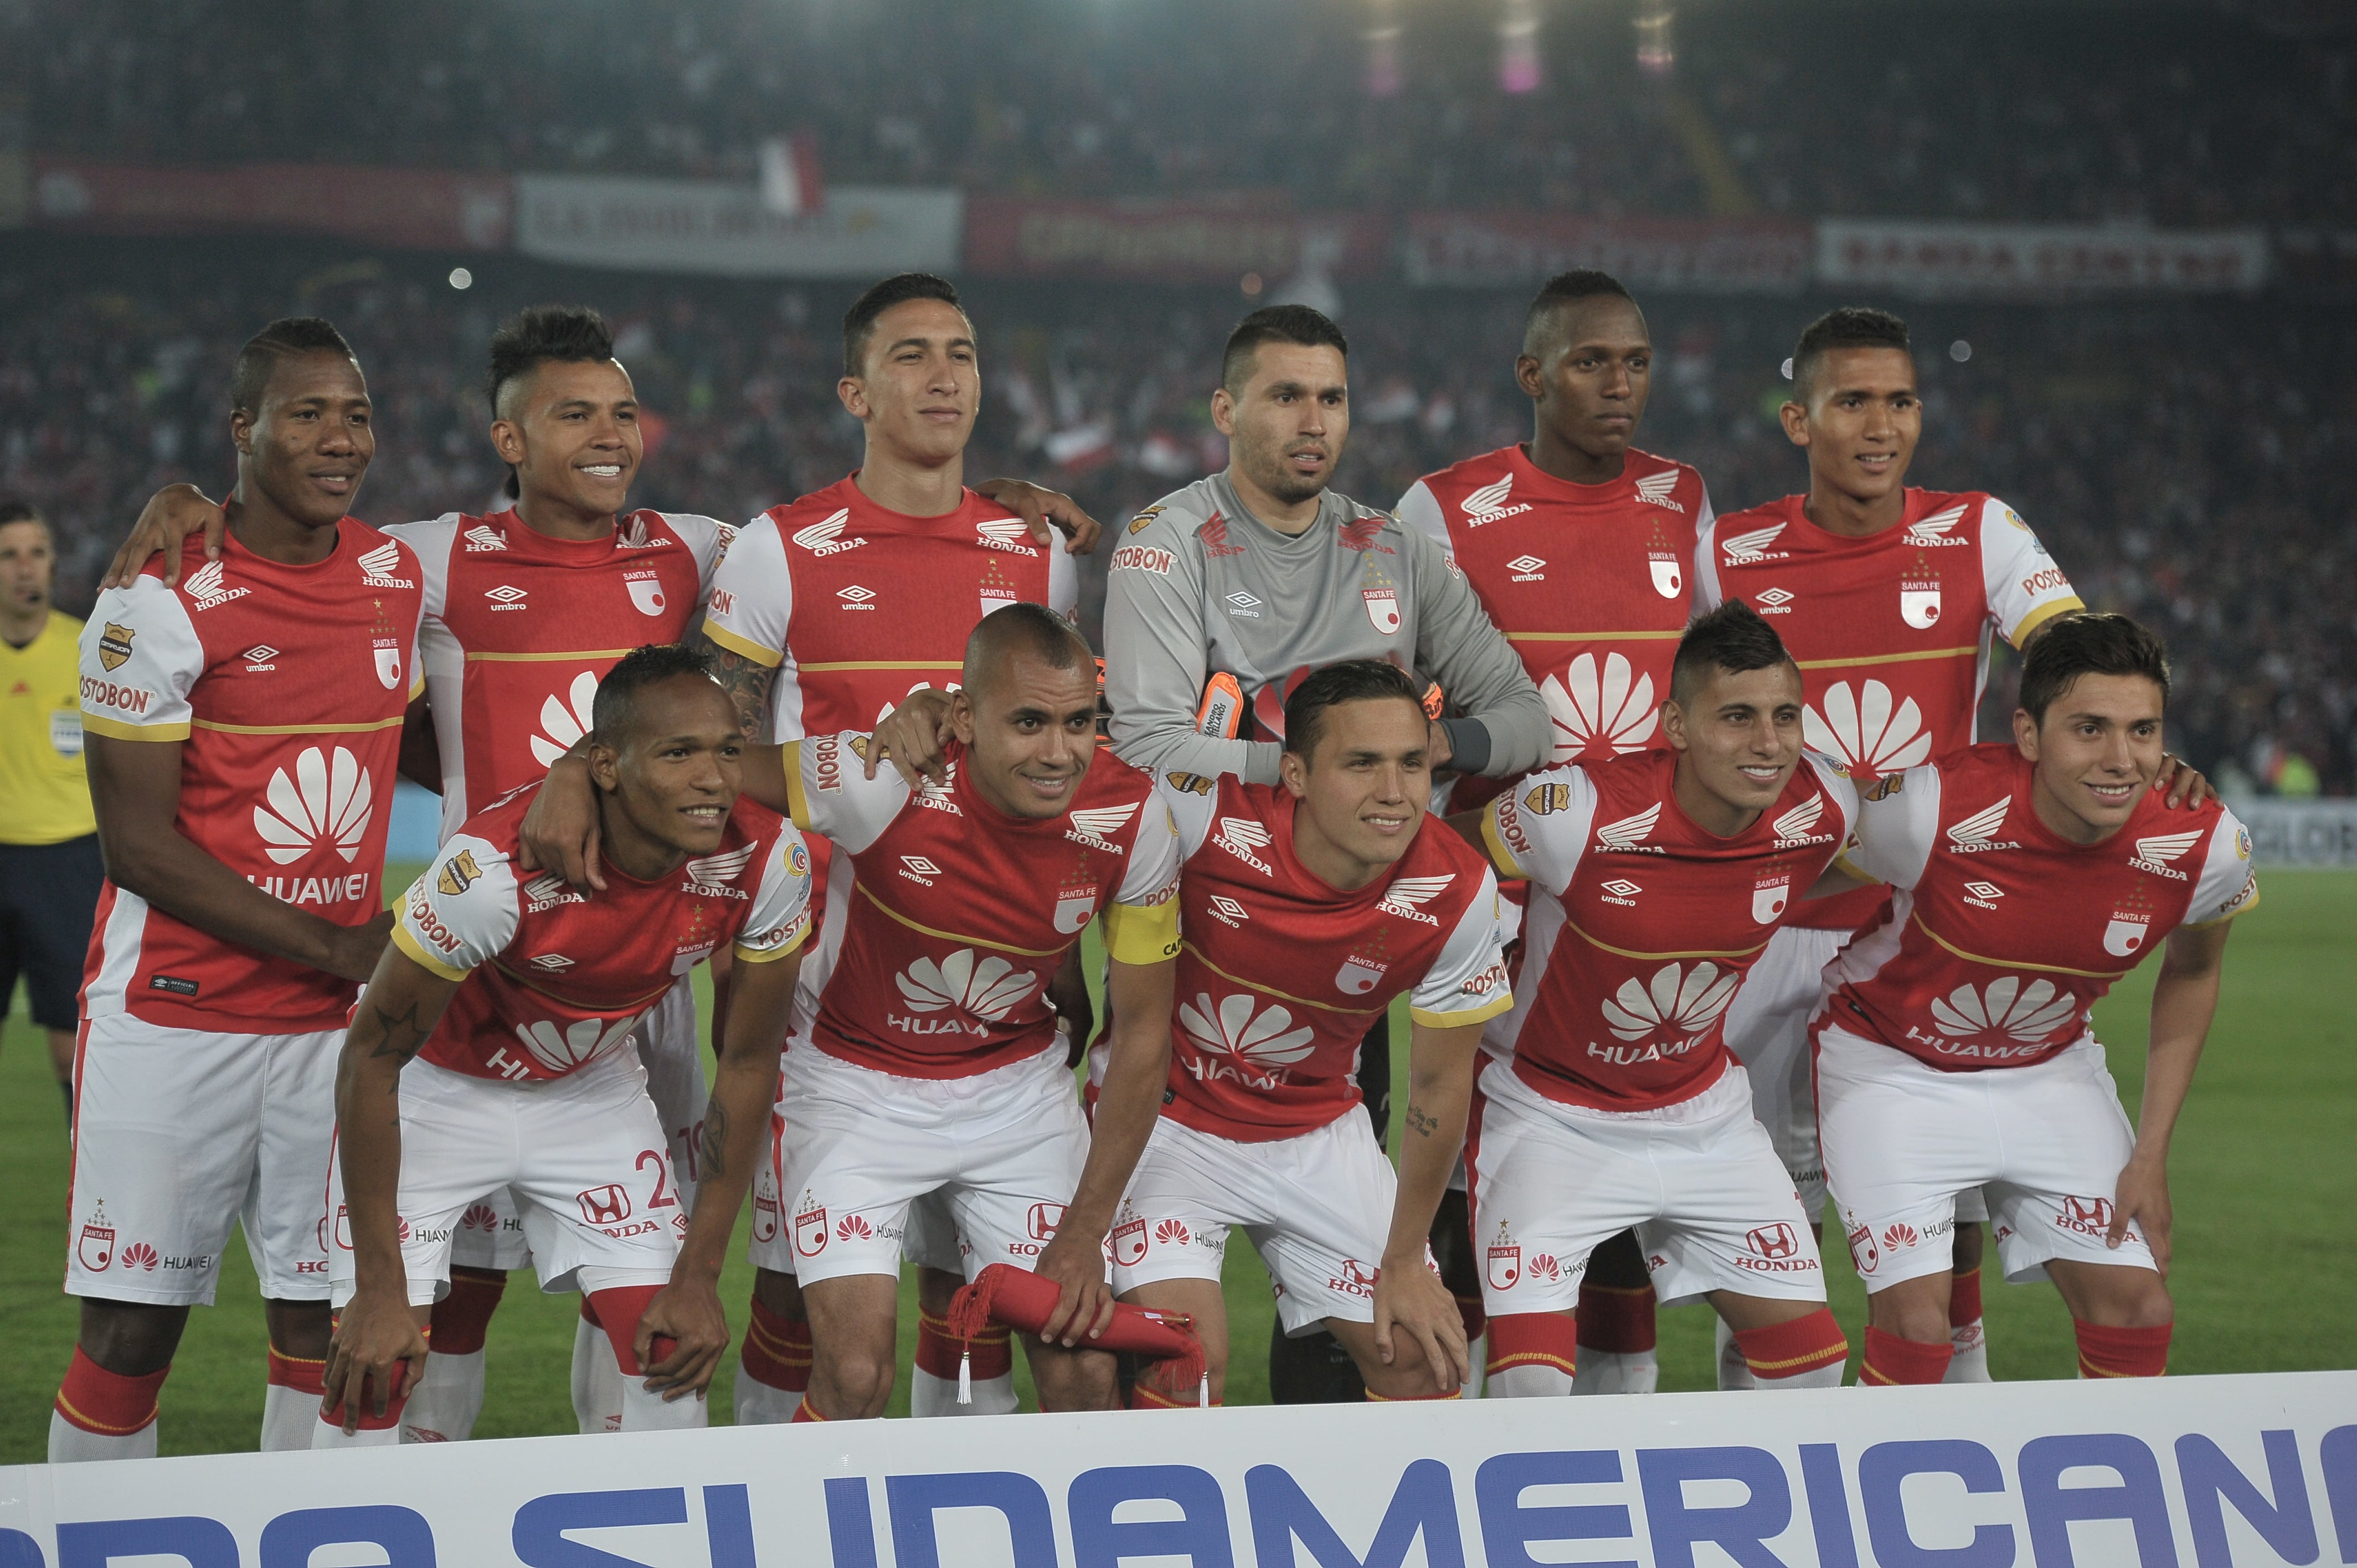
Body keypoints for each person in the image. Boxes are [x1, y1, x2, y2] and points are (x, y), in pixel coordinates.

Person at [103, 294, 1095, 1435]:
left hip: (663, 963)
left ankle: (640, 1483)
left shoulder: (703, 548)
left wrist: (999, 502)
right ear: (510, 441)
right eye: (574, 416)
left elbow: (870, 528)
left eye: (623, 413)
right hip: (489, 963)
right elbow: (300, 543)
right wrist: (194, 507)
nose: (610, 437)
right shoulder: (431, 561)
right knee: (458, 1293)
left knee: (647, 1282)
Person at [526, 272, 1098, 1424]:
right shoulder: (782, 549)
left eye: (963, 351)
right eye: (910, 356)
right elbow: (716, 751)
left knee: (973, 1286)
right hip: (820, 989)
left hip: (995, 986)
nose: (944, 375)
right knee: (801, 1310)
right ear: (854, 390)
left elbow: (1058, 771)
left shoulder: (1040, 555)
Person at [1096, 302, 1549, 1401]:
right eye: (1285, 395)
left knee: (1402, 1354)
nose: (1314, 419)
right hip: (1208, 945)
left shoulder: (1391, 549)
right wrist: (1323, 777)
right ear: (1225, 410)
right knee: (1167, 1369)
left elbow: (1527, 718)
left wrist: (1422, 756)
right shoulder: (1167, 545)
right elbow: (1146, 746)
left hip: (1354, 958)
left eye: (1332, 397)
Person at [1697, 305, 2102, 1386]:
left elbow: (2070, 657)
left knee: (1943, 1199)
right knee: (1771, 1209)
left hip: (1918, 929)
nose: (1879, 426)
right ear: (1799, 418)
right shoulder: (1726, 551)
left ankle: (1949, 1435)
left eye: (1899, 401)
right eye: (1852, 402)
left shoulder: (1977, 531)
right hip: (1767, 932)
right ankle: (1766, 1433)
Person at [664, 604, 1181, 1419]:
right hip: (853, 1087)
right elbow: (709, 770)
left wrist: (1085, 1232)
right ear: (965, 719)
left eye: (1080, 722)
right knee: (857, 1376)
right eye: (1030, 723)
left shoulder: (1134, 816)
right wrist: (575, 779)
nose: (1060, 753)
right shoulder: (879, 777)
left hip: (1019, 1094)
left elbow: (1146, 1032)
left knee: (1083, 1375)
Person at [52, 318, 418, 1461]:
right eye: (306, 413)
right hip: (174, 1017)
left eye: (355, 414)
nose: (339, 438)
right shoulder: (154, 596)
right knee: (129, 1329)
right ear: (243, 431)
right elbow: (139, 851)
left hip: (329, 1041)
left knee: (328, 1325)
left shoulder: (398, 574)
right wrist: (345, 948)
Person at [316, 644, 812, 1443]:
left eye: (726, 751)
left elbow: (751, 1063)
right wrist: (379, 1286)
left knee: (672, 1357)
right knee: (375, 1374)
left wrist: (698, 1275)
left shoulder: (768, 861)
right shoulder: (491, 873)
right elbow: (371, 1058)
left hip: (590, 1089)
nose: (715, 779)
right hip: (437, 1092)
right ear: (605, 766)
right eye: (679, 754)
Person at [1395, 268, 1710, 1396]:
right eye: (1590, 362)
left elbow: (1720, 682)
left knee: (1623, 1211)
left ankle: (1618, 1481)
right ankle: (1466, 1454)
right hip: (1497, 904)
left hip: (1650, 904)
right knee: (1479, 1195)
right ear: (1532, 375)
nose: (1619, 383)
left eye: (1633, 361)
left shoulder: (1682, 497)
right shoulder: (1443, 508)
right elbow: (1389, 694)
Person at [1811, 613, 2255, 1385]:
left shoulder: (2206, 843)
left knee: (2139, 1308)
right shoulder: (1928, 809)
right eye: (2090, 729)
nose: (2121, 760)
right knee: (1918, 1331)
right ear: (2028, 732)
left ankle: (2109, 1500)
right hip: (1890, 1064)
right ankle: (1893, 1498)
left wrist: (2149, 1156)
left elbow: (2191, 971)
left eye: (2143, 731)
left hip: (2048, 1068)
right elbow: (1781, 857)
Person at [1454, 603, 1855, 1397]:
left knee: (1816, 1369)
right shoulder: (1575, 814)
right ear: (1674, 723)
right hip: (1549, 1117)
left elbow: (1924, 845)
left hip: (1702, 1118)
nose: (1768, 743)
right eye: (1736, 717)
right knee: (1530, 1390)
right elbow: (1444, 853)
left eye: (1784, 716)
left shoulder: (1824, 810)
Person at [1105, 661, 1511, 1405]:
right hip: (1170, 1125)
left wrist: (1401, 1261)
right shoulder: (1197, 817)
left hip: (1317, 1128)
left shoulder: (1458, 890)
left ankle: (1370, 1520)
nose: (1394, 792)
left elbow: (1440, 1086)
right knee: (1184, 1366)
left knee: (1424, 1360)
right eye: (1362, 764)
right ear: (1293, 772)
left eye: (1412, 764)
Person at [0, 502, 101, 1117]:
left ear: (54, 563)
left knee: (73, 1052)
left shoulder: (88, 650)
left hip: (70, 864)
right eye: (9, 554)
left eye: (36, 553)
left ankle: (88, 1207)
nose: (24, 569)